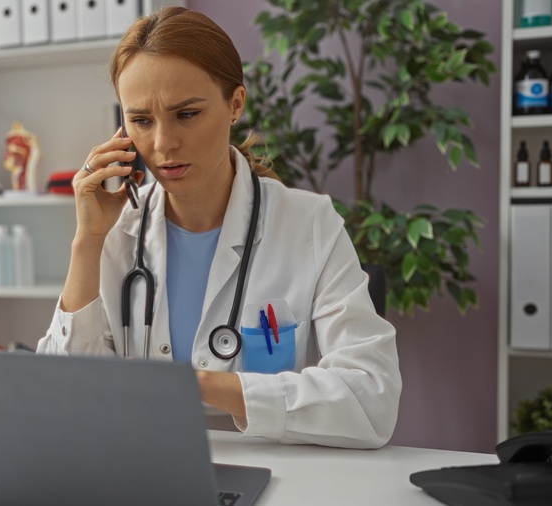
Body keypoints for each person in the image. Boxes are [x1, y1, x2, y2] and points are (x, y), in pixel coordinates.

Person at [37, 6, 401, 449]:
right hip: (141, 466)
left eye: (186, 114)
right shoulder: (115, 232)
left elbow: (371, 401)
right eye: (141, 120)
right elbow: (63, 401)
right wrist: (87, 244)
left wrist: (198, 386)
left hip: (278, 476)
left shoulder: (309, 224)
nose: (162, 143)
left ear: (235, 104)